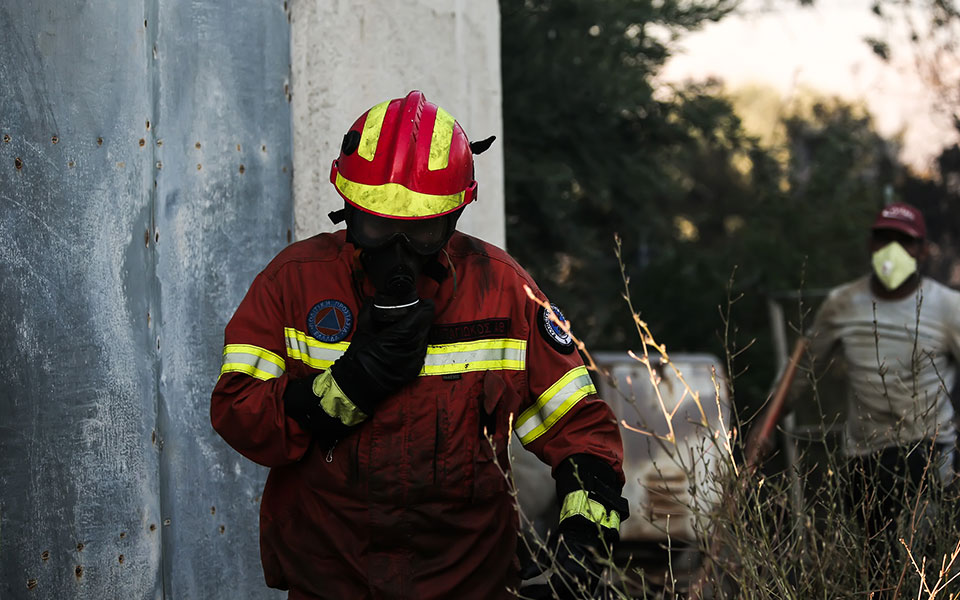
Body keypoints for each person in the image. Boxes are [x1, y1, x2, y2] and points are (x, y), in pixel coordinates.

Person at [210, 91, 628, 600]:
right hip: (332, 582)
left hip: (469, 584)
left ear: (453, 219)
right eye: (377, 226)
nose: (399, 254)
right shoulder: (294, 285)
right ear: (347, 208)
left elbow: (581, 433)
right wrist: (346, 388)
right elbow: (239, 413)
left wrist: (583, 550)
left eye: (423, 231)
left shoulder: (500, 291)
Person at [768, 202, 959, 565]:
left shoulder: (947, 307)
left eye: (902, 242)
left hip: (928, 452)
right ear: (870, 245)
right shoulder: (843, 303)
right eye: (883, 238)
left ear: (921, 250)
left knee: (923, 561)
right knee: (876, 563)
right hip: (865, 458)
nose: (891, 250)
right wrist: (766, 425)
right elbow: (802, 369)